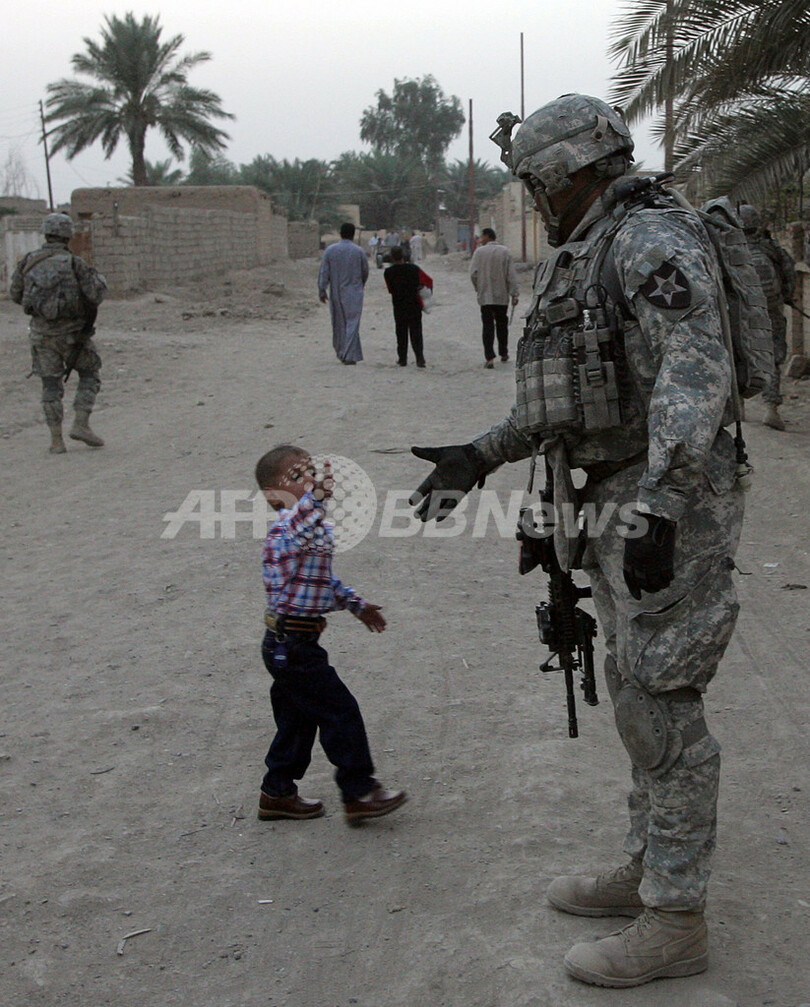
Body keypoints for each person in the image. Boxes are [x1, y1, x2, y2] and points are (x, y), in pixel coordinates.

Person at [410, 94, 751, 987]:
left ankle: (676, 916)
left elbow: (695, 365)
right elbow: (567, 396)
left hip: (661, 493)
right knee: (633, 686)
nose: (535, 196)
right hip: (611, 492)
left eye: (536, 180)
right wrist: (476, 457)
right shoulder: (591, 248)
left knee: (662, 700)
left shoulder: (646, 238)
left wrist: (666, 504)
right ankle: (647, 868)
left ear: (571, 172)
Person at [254, 445, 407, 823]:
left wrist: (357, 605)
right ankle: (358, 792)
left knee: (298, 720)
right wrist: (318, 496)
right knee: (340, 711)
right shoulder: (285, 531)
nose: (309, 479)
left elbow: (322, 581)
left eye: (310, 472)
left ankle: (277, 792)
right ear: (276, 493)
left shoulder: (309, 529)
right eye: (298, 475)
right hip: (290, 647)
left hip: (293, 644)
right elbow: (301, 521)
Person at [9, 212, 107, 454]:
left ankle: (56, 441)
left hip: (42, 335)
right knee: (89, 374)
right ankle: (81, 424)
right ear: (68, 236)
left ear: (45, 233)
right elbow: (96, 295)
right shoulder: (75, 263)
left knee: (50, 386)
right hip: (74, 335)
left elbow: (15, 294)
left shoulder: (28, 262)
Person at [739, 203, 796, 430]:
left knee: (739, 352)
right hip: (771, 310)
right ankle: (771, 409)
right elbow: (789, 274)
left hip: (741, 312)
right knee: (773, 355)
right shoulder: (772, 249)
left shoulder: (729, 250)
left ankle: (740, 404)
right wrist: (787, 298)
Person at [318, 223, 369, 364]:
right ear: (353, 234)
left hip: (336, 292)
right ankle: (349, 354)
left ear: (340, 233)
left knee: (339, 324)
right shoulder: (359, 251)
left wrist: (322, 290)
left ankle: (343, 352)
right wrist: (360, 285)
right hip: (354, 292)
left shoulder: (330, 250)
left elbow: (324, 272)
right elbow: (365, 271)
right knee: (353, 323)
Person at [469, 227, 519, 368]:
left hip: (485, 297)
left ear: (487, 236)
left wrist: (478, 288)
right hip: (501, 296)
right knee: (502, 325)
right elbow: (511, 275)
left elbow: (473, 273)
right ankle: (503, 353)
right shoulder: (505, 251)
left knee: (487, 326)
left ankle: (490, 358)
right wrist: (514, 293)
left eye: (481, 237)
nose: (480, 240)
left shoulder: (479, 252)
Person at [383, 246, 432, 367]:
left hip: (398, 304)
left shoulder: (388, 272)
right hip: (414, 304)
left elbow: (390, 289)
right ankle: (420, 358)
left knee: (401, 332)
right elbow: (428, 281)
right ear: (403, 256)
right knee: (416, 332)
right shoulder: (414, 269)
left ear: (392, 258)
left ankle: (402, 359)